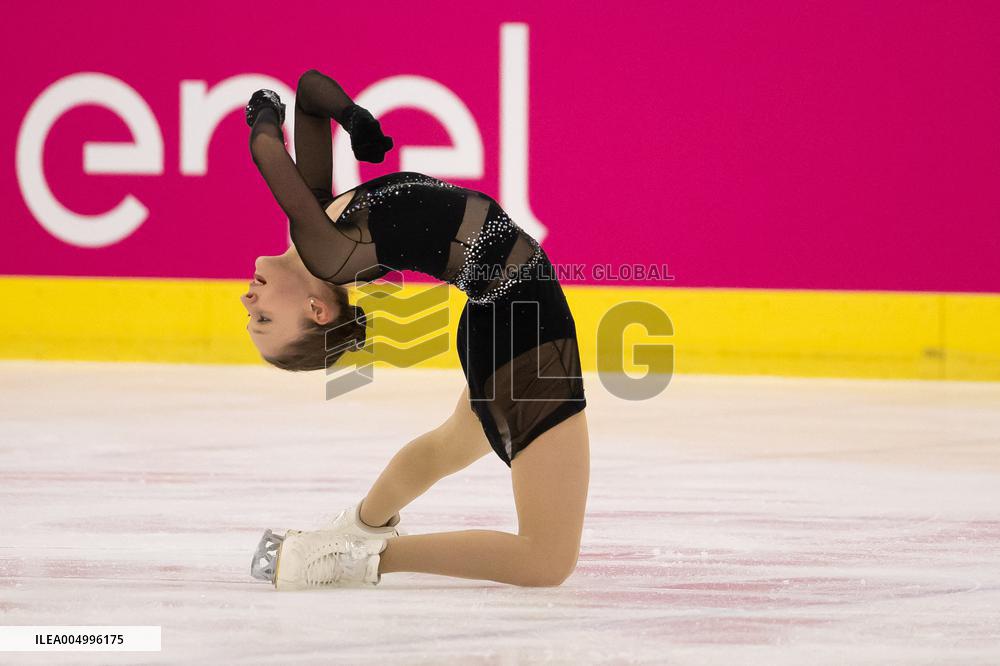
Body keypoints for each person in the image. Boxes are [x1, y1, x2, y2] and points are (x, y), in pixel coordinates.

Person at [244, 69, 588, 589]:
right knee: (546, 559)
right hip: (524, 323)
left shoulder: (321, 224)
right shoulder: (329, 252)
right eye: (264, 318)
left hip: (497, 316)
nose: (248, 299)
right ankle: (358, 559)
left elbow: (310, 91)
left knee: (451, 443)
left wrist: (352, 118)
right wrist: (263, 110)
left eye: (253, 316)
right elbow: (269, 150)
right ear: (317, 311)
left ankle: (359, 528)